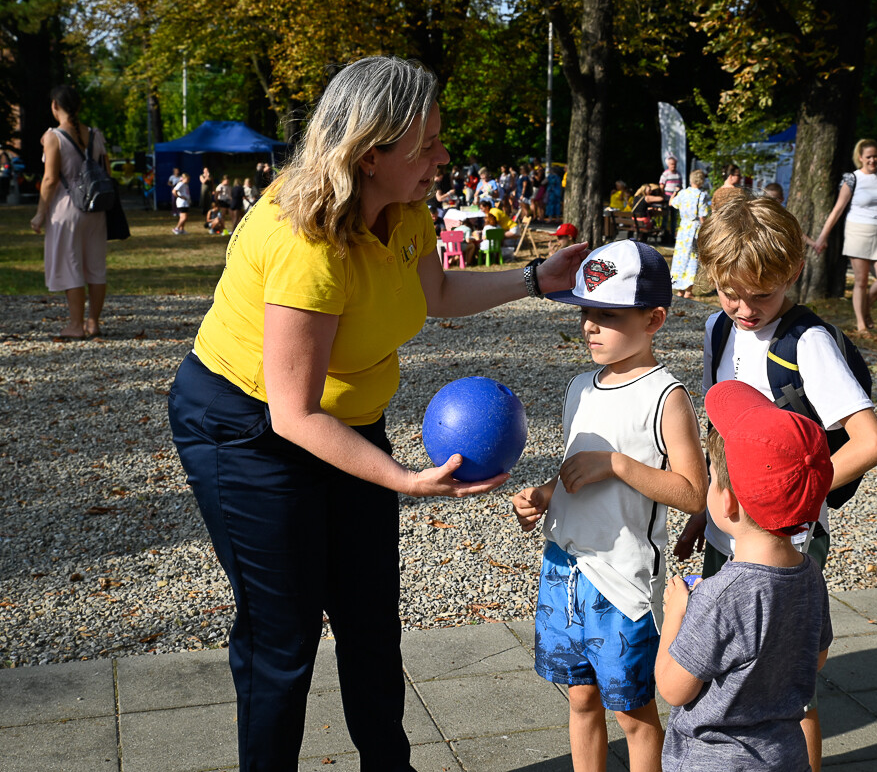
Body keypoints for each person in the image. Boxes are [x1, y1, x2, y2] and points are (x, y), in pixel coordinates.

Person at [166, 56, 587, 772]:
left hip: (343, 420)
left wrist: (534, 279)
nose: (443, 158)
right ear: (369, 155)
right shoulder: (306, 243)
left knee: (369, 619)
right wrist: (403, 479)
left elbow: (435, 295)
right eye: (426, 145)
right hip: (246, 429)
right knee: (283, 636)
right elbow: (293, 415)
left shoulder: (406, 211)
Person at [678, 193, 877, 771]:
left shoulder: (808, 343)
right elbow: (724, 432)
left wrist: (785, 500)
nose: (744, 308)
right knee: (728, 675)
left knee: (787, 690)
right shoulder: (717, 329)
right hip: (728, 530)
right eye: (730, 292)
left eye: (762, 295)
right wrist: (705, 511)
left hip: (786, 541)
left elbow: (871, 442)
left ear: (794, 270)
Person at [511, 240, 707, 772]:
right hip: (563, 567)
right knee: (580, 698)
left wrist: (619, 465)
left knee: (633, 713)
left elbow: (693, 492)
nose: (590, 327)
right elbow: (576, 468)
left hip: (623, 581)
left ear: (654, 319)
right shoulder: (580, 386)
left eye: (609, 315)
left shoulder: (667, 396)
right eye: (585, 312)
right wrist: (544, 495)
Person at [657, 379, 834, 771]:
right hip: (785, 757)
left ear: (727, 502)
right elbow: (817, 658)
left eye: (712, 476)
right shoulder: (810, 575)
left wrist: (676, 613)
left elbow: (672, 688)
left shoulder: (719, 596)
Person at [29, 84, 110, 341]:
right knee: (95, 267)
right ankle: (93, 323)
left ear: (55, 106)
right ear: (79, 106)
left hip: (67, 209)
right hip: (96, 209)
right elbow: (107, 172)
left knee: (70, 264)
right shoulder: (96, 134)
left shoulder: (53, 136)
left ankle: (75, 325)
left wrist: (40, 214)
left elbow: (50, 179)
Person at [814, 138, 877, 334]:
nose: (872, 160)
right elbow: (838, 209)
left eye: (875, 156)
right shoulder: (852, 179)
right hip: (857, 230)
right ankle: (861, 323)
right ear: (860, 158)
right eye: (868, 157)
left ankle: (865, 308)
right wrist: (823, 237)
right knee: (861, 280)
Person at [668, 169, 711, 299]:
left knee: (680, 258)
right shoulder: (701, 195)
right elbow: (702, 216)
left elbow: (671, 203)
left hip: (683, 229)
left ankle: (679, 290)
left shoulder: (683, 193)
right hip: (694, 229)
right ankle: (688, 291)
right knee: (692, 259)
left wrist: (674, 192)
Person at [660, 155, 683, 241]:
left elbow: (680, 185)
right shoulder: (665, 174)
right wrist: (662, 196)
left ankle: (672, 236)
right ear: (668, 165)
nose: (674, 166)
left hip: (675, 200)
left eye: (675, 164)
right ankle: (663, 235)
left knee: (674, 218)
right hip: (667, 199)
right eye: (672, 164)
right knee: (665, 217)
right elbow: (661, 186)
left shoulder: (678, 174)